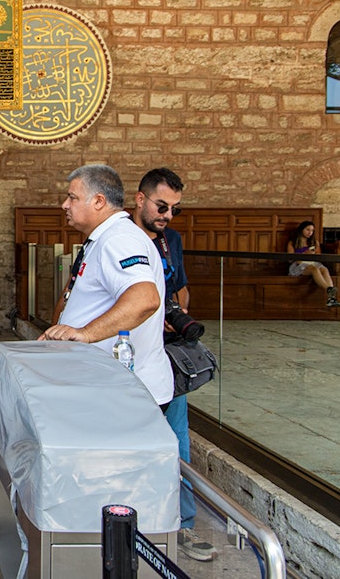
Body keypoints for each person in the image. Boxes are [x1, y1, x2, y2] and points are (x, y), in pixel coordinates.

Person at [134, 168, 217, 562]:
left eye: (175, 209)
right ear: (140, 199)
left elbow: (181, 287)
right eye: (162, 206)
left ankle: (181, 525)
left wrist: (177, 310)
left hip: (167, 357)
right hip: (128, 358)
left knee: (176, 439)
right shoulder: (119, 238)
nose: (167, 215)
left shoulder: (172, 241)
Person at [40, 164, 173, 409]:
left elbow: (144, 299)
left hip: (124, 393)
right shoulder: (105, 237)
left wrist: (86, 334)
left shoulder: (119, 239)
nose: (64, 205)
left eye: (72, 197)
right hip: (107, 388)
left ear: (99, 201)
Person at [288, 220, 340, 308]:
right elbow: (290, 259)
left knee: (324, 269)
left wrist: (313, 254)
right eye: (307, 230)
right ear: (302, 229)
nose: (310, 233)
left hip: (312, 262)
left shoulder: (314, 242)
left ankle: (331, 298)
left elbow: (318, 256)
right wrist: (304, 254)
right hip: (299, 265)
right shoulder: (293, 242)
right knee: (314, 269)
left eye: (312, 231)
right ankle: (330, 291)